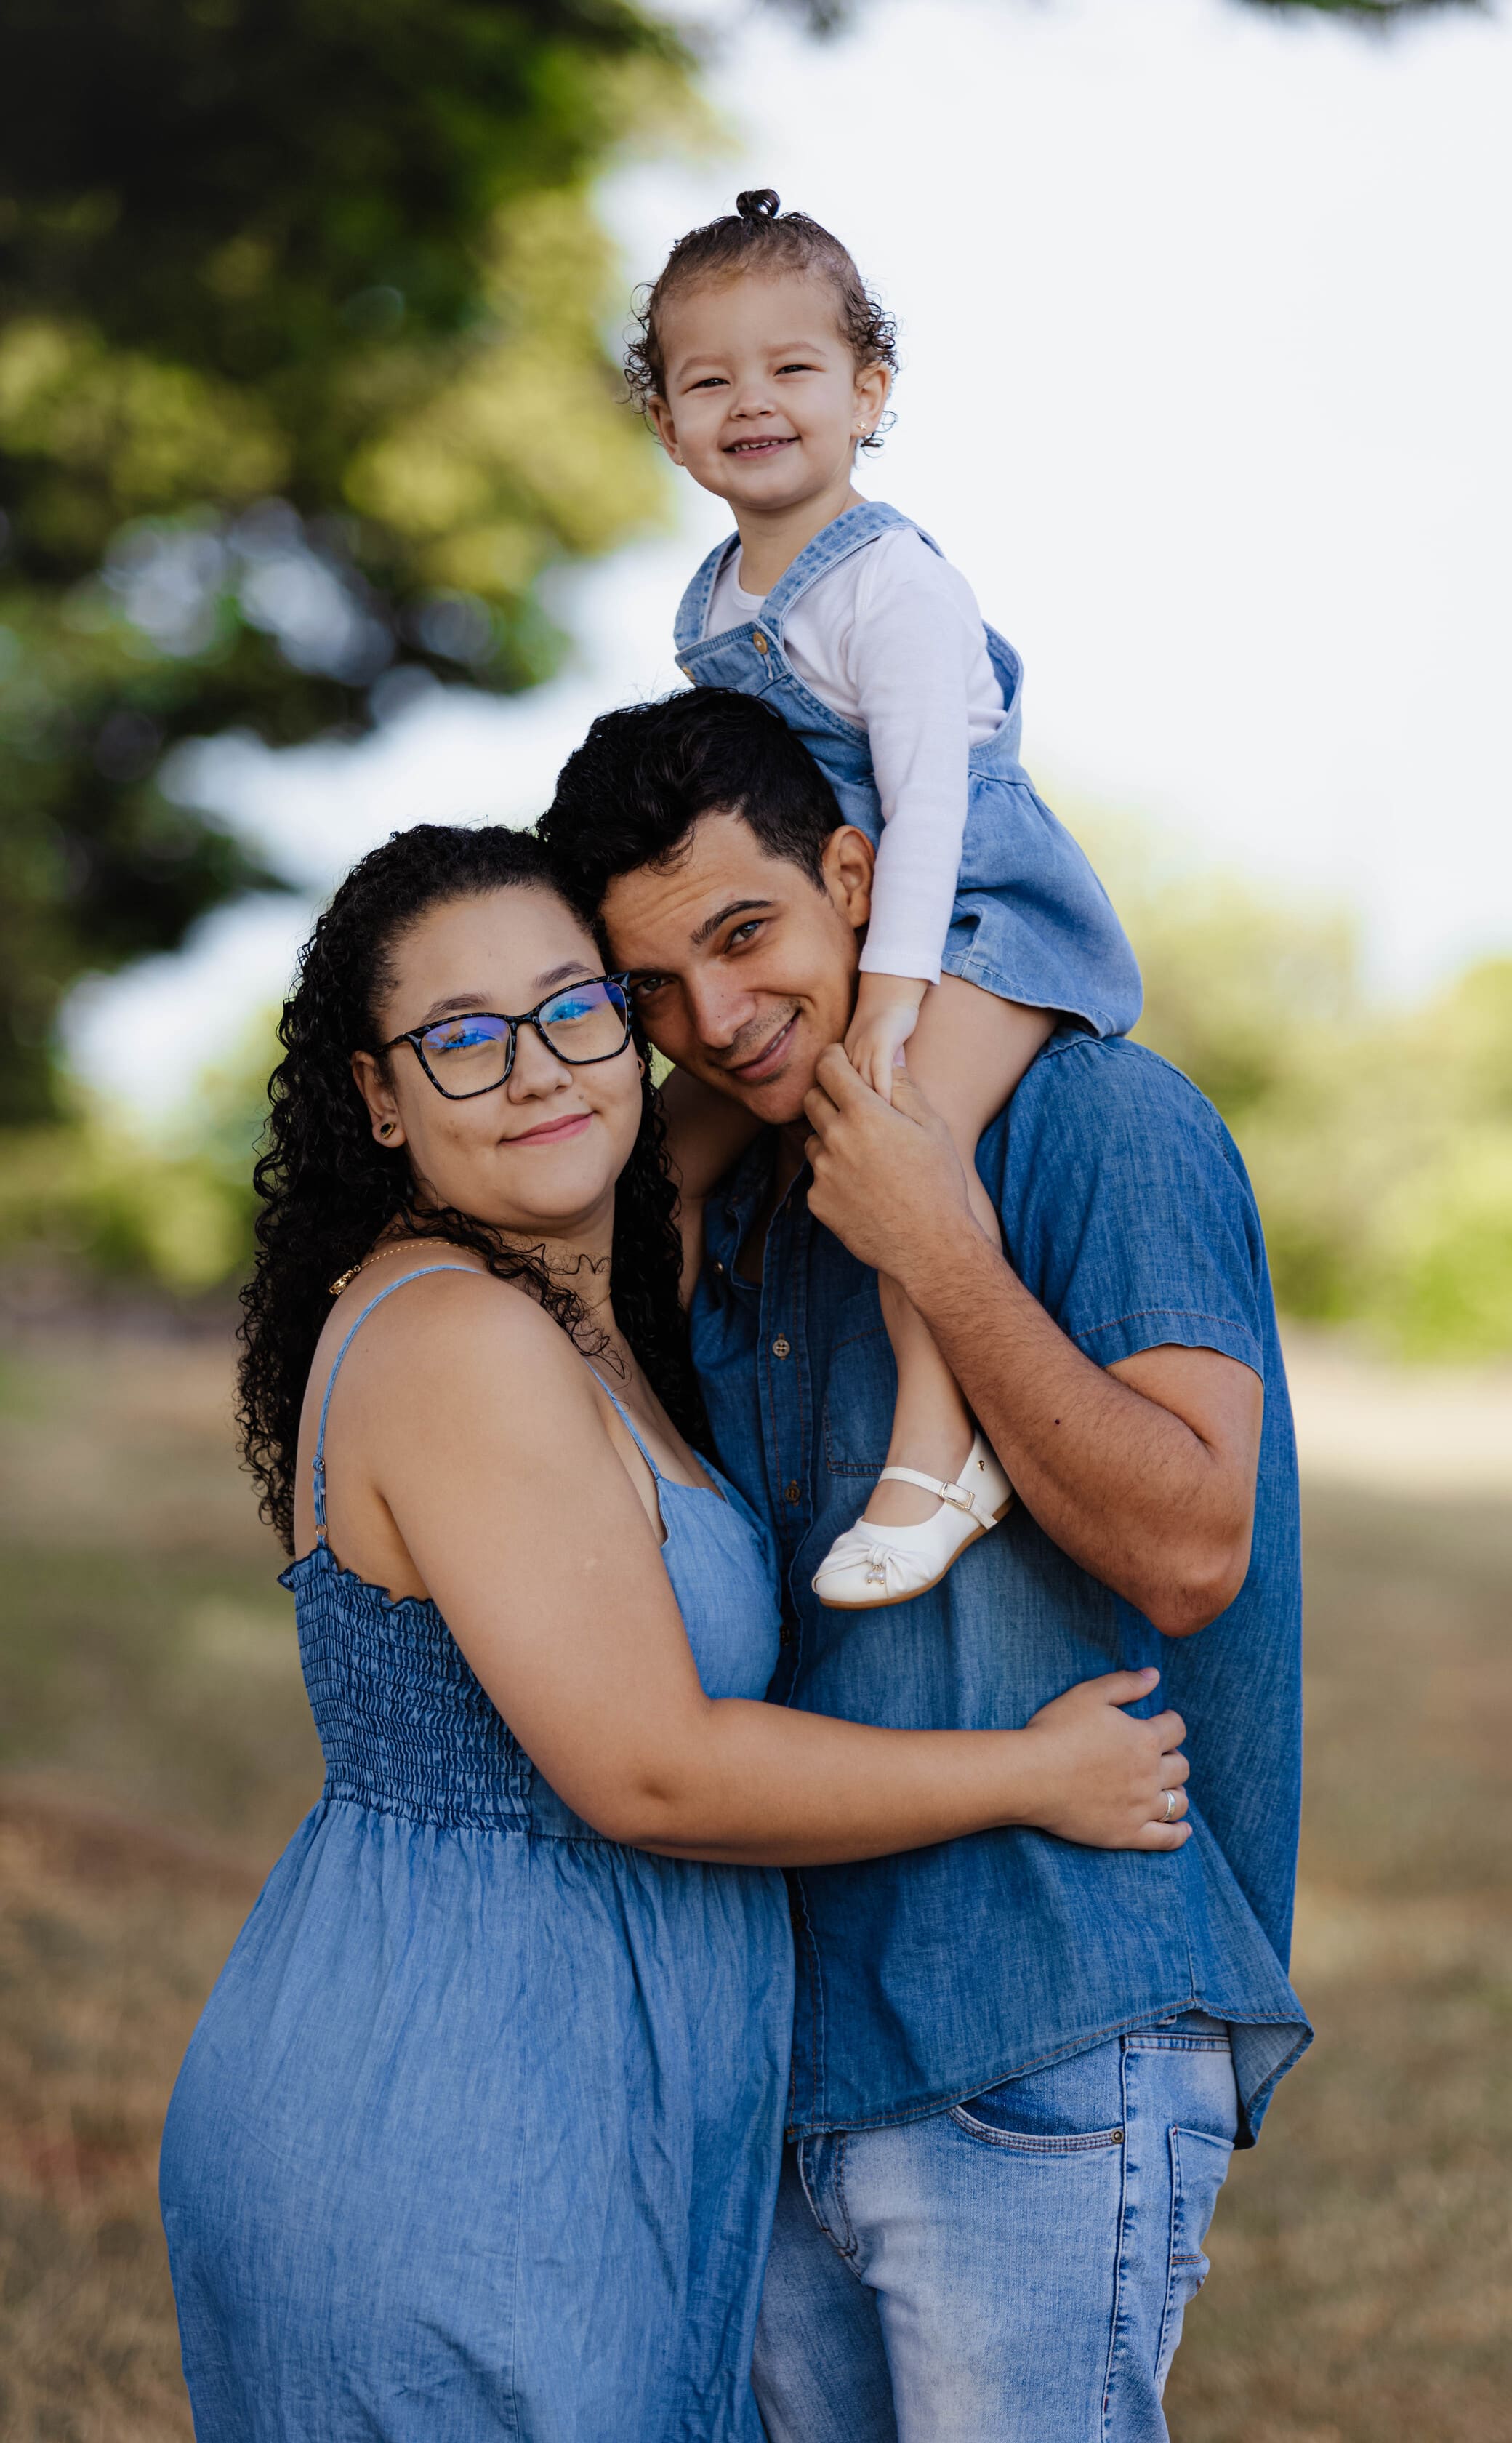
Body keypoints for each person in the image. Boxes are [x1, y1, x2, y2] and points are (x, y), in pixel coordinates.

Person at [158, 822, 1194, 2443]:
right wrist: (1030, 1773)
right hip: (455, 2123)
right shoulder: (459, 1340)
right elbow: (649, 1772)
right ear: (379, 1097)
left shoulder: (587, 1297)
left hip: (562, 2102)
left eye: (573, 1007)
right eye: (459, 1038)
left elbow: (856, 1011)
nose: (531, 1070)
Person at [544, 694, 1312, 2443]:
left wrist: (937, 1256)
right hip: (777, 2049)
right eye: (650, 990)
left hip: (1039, 2035)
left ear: (856, 873)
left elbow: (1193, 1545)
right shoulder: (717, 1195)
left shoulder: (1095, 1119)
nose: (715, 1021)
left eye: (746, 938)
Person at [625, 187, 1143, 1606]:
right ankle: (633, 1397)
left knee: (897, 1127)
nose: (752, 403)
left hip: (973, 911)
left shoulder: (891, 583)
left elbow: (922, 812)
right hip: (853, 920)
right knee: (671, 1145)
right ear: (665, 422)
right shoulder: (718, 597)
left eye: (791, 369)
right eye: (707, 379)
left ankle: (939, 1446)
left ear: (869, 392)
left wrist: (892, 1002)